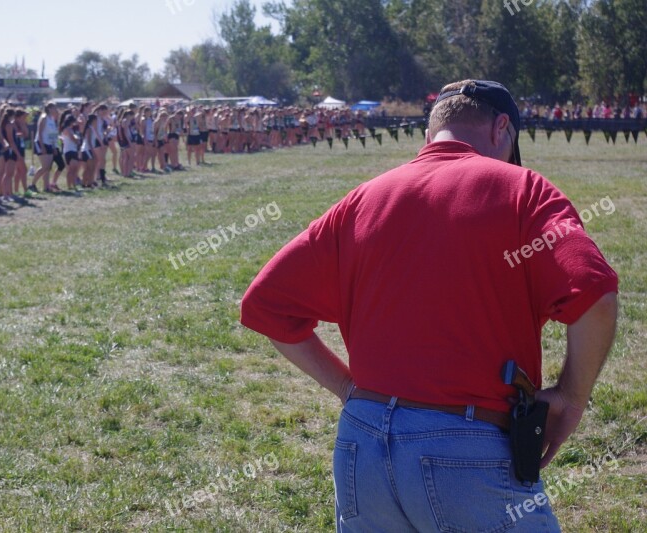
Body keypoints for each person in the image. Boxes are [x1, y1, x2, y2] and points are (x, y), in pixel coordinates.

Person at [240, 80, 619, 532]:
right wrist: (572, 398)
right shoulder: (524, 189)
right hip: (470, 448)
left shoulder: (363, 198)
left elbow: (265, 304)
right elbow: (595, 296)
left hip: (360, 448)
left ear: (430, 134)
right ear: (502, 128)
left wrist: (348, 390)